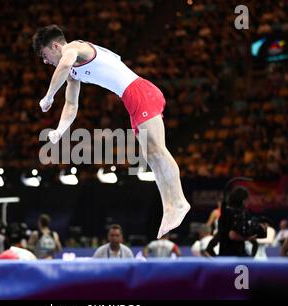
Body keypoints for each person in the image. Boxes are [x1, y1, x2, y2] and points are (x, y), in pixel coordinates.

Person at [32, 25, 190, 239]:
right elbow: (71, 105)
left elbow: (64, 64)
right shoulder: (71, 71)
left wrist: (49, 96)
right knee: (151, 156)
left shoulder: (73, 48)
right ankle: (170, 207)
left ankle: (179, 202)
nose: (44, 60)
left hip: (140, 92)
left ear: (56, 46)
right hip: (132, 99)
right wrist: (60, 130)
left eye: (44, 54)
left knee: (157, 150)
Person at [206, 187, 258, 257]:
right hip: (238, 260)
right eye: (247, 200)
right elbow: (232, 235)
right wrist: (248, 238)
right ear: (243, 201)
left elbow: (209, 248)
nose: (248, 203)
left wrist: (218, 261)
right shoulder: (241, 214)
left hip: (224, 259)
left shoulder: (224, 215)